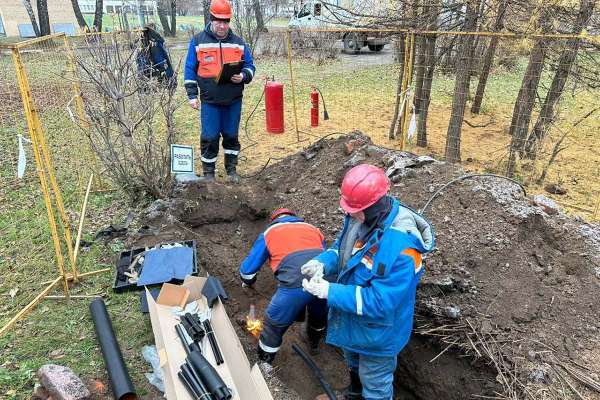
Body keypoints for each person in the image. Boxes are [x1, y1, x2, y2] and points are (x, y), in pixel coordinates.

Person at [301, 164, 435, 400]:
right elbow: (341, 250)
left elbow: (380, 302)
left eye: (355, 210)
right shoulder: (358, 219)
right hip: (351, 321)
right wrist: (322, 263)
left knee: (375, 385)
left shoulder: (403, 251)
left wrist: (329, 291)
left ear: (373, 207)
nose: (350, 214)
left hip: (378, 334)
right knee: (353, 362)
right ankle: (354, 394)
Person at [240, 208, 328, 364]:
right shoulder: (313, 229)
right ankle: (313, 343)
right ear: (294, 218)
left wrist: (248, 283)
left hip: (294, 285)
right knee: (319, 315)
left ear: (274, 220)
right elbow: (326, 255)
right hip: (324, 280)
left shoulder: (270, 232)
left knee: (273, 326)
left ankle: (265, 366)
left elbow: (247, 272)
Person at [184, 0, 256, 183]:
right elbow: (189, 69)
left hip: (233, 100)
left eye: (226, 22)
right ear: (211, 19)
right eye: (219, 22)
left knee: (232, 135)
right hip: (210, 101)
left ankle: (231, 170)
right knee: (210, 136)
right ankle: (209, 174)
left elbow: (250, 65)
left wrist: (244, 75)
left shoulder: (238, 43)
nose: (222, 26)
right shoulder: (198, 41)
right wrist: (192, 95)